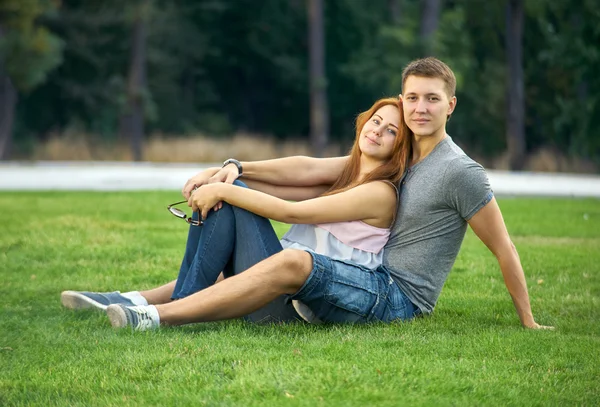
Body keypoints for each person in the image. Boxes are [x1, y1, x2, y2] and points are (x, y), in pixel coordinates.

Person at [67, 57, 552, 331]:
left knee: (286, 255)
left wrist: (528, 321)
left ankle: (153, 318)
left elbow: (503, 246)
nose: (419, 107)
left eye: (431, 98)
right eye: (412, 98)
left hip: (397, 295)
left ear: (451, 104)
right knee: (243, 197)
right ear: (401, 100)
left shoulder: (458, 172)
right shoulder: (399, 159)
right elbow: (307, 169)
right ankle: (127, 301)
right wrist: (233, 169)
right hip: (360, 279)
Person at [62, 96, 413, 326]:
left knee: (232, 197)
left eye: (391, 131)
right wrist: (224, 173)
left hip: (291, 307)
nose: (378, 130)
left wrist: (225, 186)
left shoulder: (380, 193)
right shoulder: (346, 175)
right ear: (364, 120)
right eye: (376, 120)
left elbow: (288, 211)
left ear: (399, 147)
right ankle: (134, 300)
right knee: (231, 195)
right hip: (276, 290)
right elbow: (300, 171)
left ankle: (169, 310)